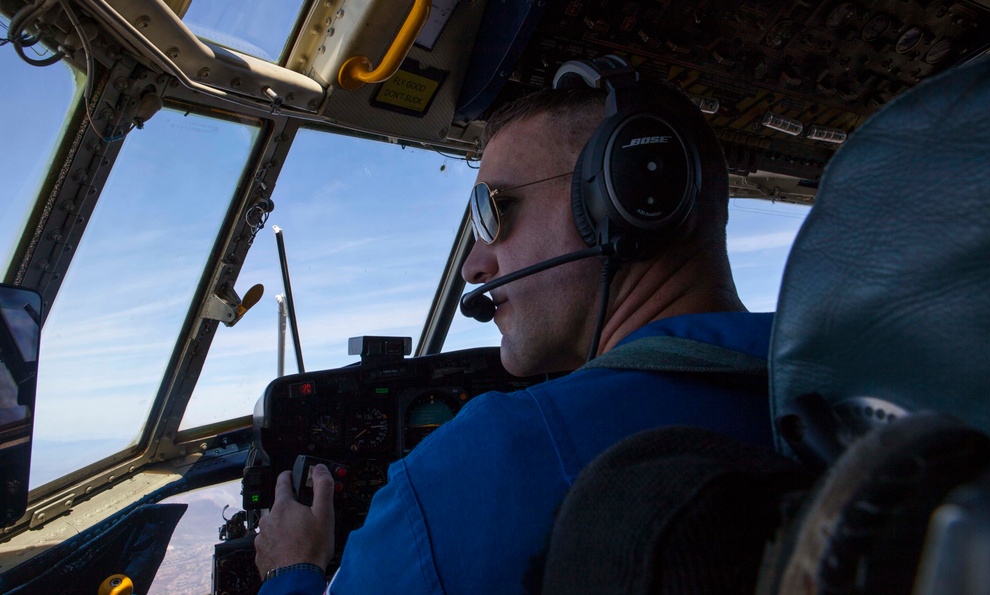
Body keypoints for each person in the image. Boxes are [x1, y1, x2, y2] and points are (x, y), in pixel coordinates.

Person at [254, 75, 775, 594]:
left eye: (493, 211)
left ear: (626, 195)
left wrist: (290, 570)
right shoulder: (811, 383)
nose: (473, 266)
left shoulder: (485, 462)